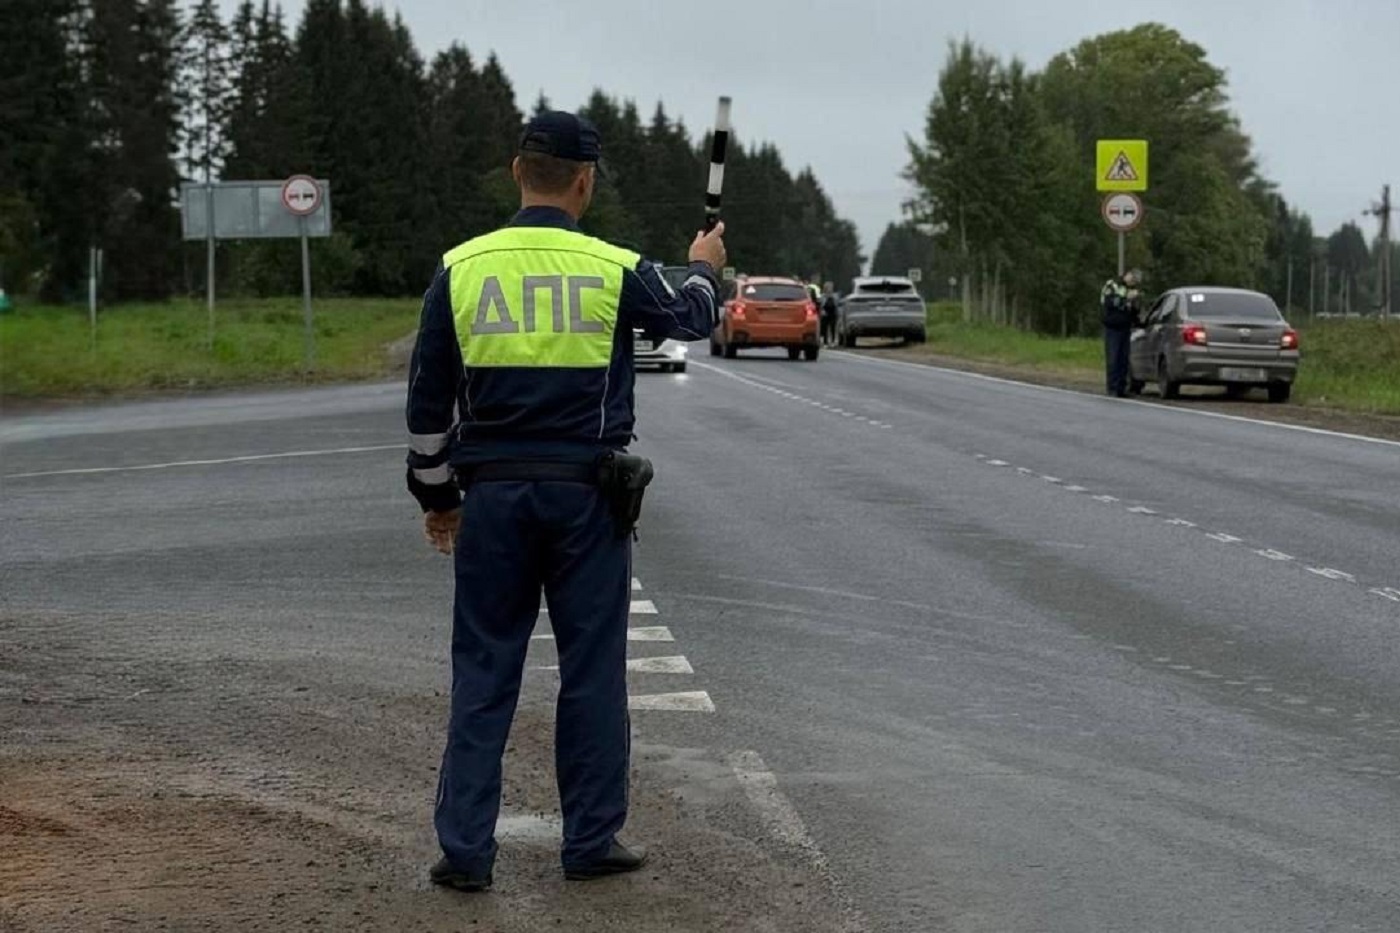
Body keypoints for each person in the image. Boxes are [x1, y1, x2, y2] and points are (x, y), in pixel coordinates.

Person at [404, 110, 726, 892]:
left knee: (484, 666)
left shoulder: (463, 267)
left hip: (493, 498)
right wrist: (704, 264)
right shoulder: (614, 266)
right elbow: (695, 317)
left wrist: (438, 497)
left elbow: (426, 407)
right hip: (587, 498)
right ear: (584, 181)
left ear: (519, 171)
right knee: (591, 669)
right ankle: (589, 839)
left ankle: (466, 850)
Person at [1100, 268, 1142, 397]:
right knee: (1113, 358)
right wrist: (1126, 298)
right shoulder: (1112, 285)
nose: (1133, 282)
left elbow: (1134, 311)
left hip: (1125, 327)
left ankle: (1121, 388)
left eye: (1135, 281)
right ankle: (1112, 388)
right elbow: (1109, 302)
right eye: (1132, 279)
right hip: (1113, 327)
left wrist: (1137, 309)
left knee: (1123, 359)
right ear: (1127, 275)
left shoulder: (1133, 290)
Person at [820, 281, 839, 347]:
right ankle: (825, 342)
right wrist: (822, 311)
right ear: (825, 288)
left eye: (831, 287)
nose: (830, 289)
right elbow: (821, 305)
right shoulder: (822, 296)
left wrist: (837, 313)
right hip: (825, 313)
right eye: (828, 287)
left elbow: (837, 305)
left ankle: (833, 341)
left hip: (833, 313)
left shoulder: (835, 296)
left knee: (833, 328)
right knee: (824, 328)